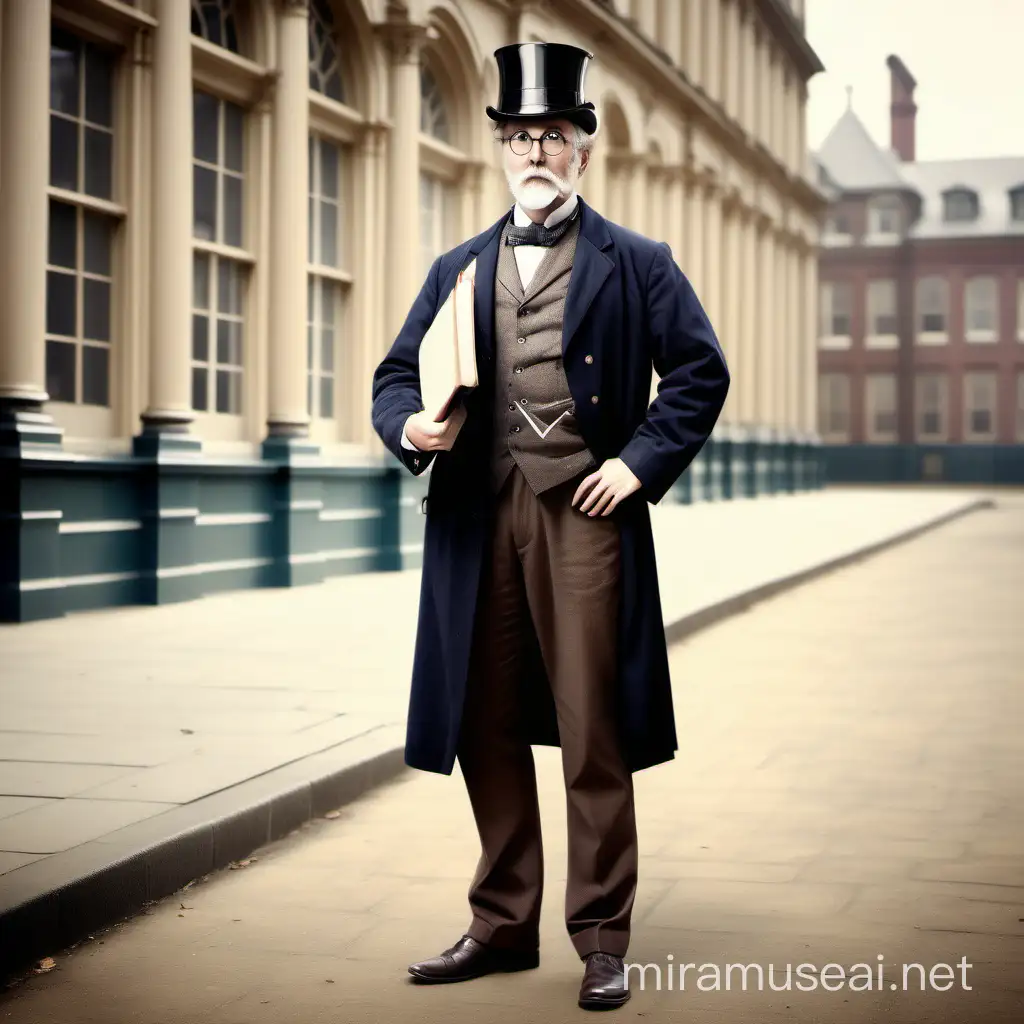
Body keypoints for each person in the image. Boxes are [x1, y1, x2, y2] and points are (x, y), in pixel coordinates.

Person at [370, 41, 729, 1012]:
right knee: (480, 719)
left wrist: (637, 462)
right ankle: (500, 921)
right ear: (500, 149)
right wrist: (411, 423)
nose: (535, 148)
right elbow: (394, 376)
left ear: (582, 149)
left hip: (584, 516)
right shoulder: (457, 266)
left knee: (590, 725)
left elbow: (699, 373)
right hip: (475, 518)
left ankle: (602, 933)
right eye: (520, 134)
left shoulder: (639, 263)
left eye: (554, 134)